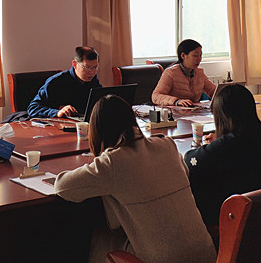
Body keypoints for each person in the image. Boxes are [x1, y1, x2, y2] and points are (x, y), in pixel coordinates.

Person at [54, 95, 217, 263]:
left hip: (163, 259)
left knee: (100, 239)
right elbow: (185, 173)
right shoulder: (167, 145)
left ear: (97, 130)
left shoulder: (112, 162)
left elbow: (62, 187)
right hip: (207, 254)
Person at [183, 84, 261, 227]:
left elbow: (190, 161)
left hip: (233, 222)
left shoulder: (224, 147)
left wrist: (214, 145)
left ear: (221, 117)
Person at [27, 46, 102, 119]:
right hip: (57, 124)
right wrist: (57, 112)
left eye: (95, 67)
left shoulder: (93, 82)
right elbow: (33, 108)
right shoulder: (56, 82)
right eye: (87, 67)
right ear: (75, 64)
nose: (92, 72)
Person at [151, 39, 217, 107]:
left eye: (200, 56)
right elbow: (156, 96)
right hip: (175, 111)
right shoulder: (171, 73)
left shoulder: (199, 73)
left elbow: (213, 91)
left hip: (194, 110)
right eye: (195, 56)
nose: (199, 59)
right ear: (183, 56)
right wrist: (176, 101)